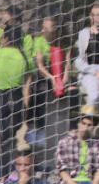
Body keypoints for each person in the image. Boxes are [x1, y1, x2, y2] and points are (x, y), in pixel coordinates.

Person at [0, 25, 29, 172]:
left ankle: (0, 169)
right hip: (16, 97)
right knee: (9, 137)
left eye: (1, 37)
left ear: (6, 38)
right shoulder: (23, 57)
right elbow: (27, 83)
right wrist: (26, 105)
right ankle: (5, 169)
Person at [25, 16, 68, 146]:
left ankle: (42, 133)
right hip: (40, 76)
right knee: (39, 102)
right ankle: (34, 133)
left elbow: (66, 63)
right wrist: (52, 78)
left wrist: (63, 79)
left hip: (53, 76)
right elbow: (40, 66)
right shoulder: (39, 42)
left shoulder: (58, 42)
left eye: (53, 26)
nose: (49, 29)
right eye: (47, 26)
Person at [76, 3, 99, 108]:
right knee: (94, 96)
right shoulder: (83, 34)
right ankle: (91, 122)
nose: (95, 18)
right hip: (90, 72)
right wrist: (95, 72)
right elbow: (78, 61)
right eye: (93, 15)